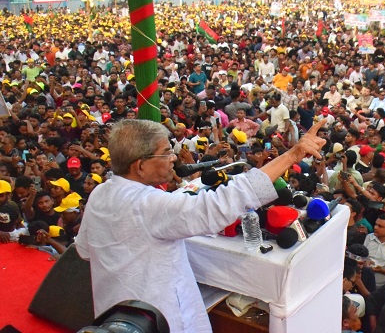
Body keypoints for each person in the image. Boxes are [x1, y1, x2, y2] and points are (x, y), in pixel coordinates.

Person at [75, 118, 327, 332]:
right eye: (165, 152)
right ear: (140, 166)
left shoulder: (99, 194)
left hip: (114, 316)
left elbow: (84, 251)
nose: (173, 158)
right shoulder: (149, 205)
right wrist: (292, 155)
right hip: (158, 318)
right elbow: (222, 203)